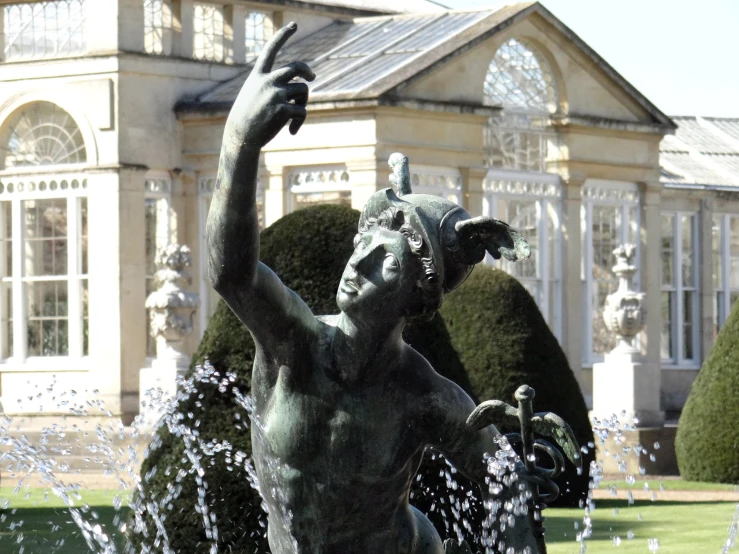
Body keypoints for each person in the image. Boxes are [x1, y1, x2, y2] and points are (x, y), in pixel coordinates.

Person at [207, 22, 539, 554]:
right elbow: (232, 275)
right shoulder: (295, 346)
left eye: (386, 260)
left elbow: (505, 480)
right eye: (363, 245)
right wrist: (239, 144)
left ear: (416, 297)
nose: (356, 263)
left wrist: (523, 504)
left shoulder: (423, 395)